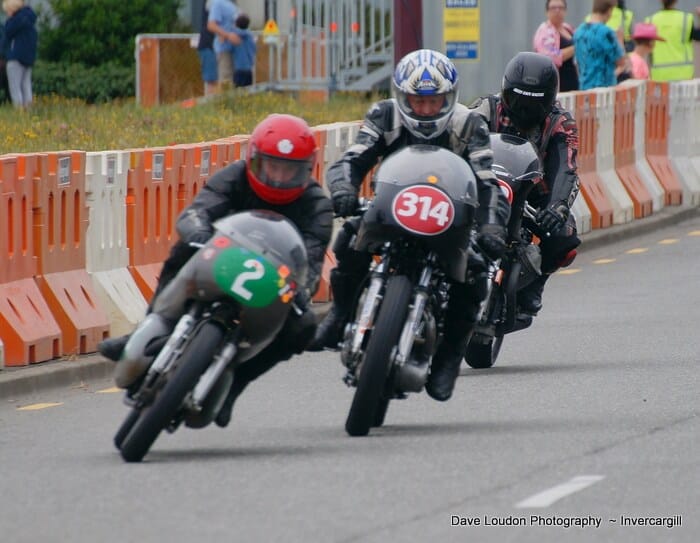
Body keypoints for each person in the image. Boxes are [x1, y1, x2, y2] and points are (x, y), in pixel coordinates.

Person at [98, 114, 333, 428]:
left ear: (306, 170)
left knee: (303, 327)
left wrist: (301, 291)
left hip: (271, 282)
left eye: (289, 170)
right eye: (271, 166)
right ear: (253, 160)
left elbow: (312, 261)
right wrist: (197, 236)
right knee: (182, 251)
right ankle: (144, 329)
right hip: (221, 258)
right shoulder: (233, 177)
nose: (278, 177)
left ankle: (236, 384)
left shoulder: (317, 205)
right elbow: (198, 211)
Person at [308, 49, 510, 402]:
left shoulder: (469, 125)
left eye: (435, 102)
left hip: (448, 219)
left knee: (477, 272)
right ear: (402, 96)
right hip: (392, 208)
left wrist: (492, 227)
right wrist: (343, 190)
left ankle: (448, 359)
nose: (427, 110)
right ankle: (340, 313)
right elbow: (352, 160)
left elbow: (488, 182)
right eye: (418, 101)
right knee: (352, 236)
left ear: (450, 98)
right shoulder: (384, 115)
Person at [468, 52, 581, 321]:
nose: (523, 110)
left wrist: (558, 206)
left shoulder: (560, 122)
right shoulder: (484, 108)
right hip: (484, 186)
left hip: (532, 195)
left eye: (533, 104)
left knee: (565, 238)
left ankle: (535, 284)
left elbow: (567, 167)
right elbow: (457, 140)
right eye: (517, 99)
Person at [574, 0, 626, 90]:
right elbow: (621, 61)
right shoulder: (605, 32)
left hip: (584, 89)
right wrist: (620, 40)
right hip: (604, 90)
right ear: (609, 10)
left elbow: (577, 64)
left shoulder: (578, 32)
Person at [645, 1, 700, 82]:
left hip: (659, 75)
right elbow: (698, 37)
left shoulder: (650, 20)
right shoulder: (685, 19)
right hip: (683, 74)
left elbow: (645, 49)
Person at [533, 0, 579, 92]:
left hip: (574, 83)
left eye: (560, 8)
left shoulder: (568, 28)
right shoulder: (544, 32)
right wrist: (575, 48)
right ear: (547, 12)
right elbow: (551, 57)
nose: (557, 11)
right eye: (553, 8)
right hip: (557, 85)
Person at [1, 0, 36, 108]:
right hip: (28, 59)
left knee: (15, 87)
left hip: (15, 58)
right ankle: (28, 110)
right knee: (26, 86)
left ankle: (19, 112)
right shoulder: (29, 21)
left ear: (12, 9)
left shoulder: (14, 22)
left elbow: (7, 34)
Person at [207, 0, 241, 88]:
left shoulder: (232, 5)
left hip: (237, 51)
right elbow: (211, 25)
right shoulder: (218, 3)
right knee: (226, 81)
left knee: (236, 82)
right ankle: (226, 101)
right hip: (224, 49)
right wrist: (227, 35)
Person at [197, 1, 218, 96]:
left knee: (217, 80)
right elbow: (211, 25)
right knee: (212, 80)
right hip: (209, 45)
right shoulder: (211, 2)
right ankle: (211, 103)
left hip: (216, 47)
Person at [232, 13, 256, 88]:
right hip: (249, 69)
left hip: (239, 69)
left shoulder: (235, 36)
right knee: (248, 92)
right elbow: (254, 49)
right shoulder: (250, 37)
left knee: (238, 92)